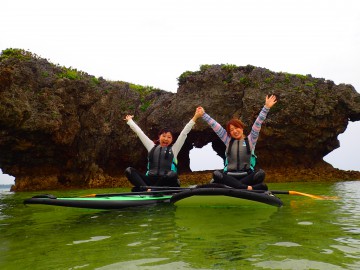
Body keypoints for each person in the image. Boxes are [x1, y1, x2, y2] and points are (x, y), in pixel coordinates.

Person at [197, 94, 277, 190]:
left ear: (242, 128)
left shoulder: (251, 140)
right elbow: (216, 126)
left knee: (260, 174)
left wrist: (266, 107)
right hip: (230, 176)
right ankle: (247, 188)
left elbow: (258, 123)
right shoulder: (228, 140)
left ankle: (233, 187)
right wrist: (204, 115)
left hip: (246, 176)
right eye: (231, 130)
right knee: (216, 174)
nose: (234, 131)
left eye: (236, 128)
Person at [124, 109, 202, 189]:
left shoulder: (174, 149)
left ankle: (150, 190)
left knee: (172, 174)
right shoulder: (151, 146)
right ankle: (147, 189)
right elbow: (139, 133)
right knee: (129, 170)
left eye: (169, 137)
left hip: (167, 182)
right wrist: (130, 121)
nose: (166, 139)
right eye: (163, 136)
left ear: (172, 140)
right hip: (150, 181)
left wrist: (195, 117)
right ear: (159, 137)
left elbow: (184, 133)